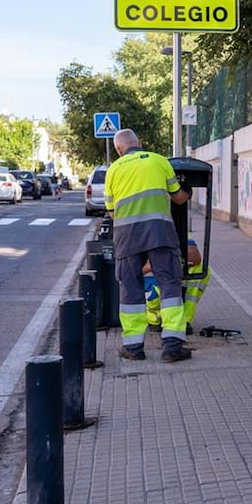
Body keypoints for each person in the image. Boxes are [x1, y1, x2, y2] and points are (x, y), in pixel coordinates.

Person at [104, 128, 193, 363]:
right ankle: (172, 346)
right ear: (139, 142)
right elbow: (178, 197)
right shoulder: (159, 161)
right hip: (159, 233)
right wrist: (188, 191)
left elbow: (112, 212)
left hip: (126, 237)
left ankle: (133, 348)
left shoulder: (113, 170)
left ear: (118, 149)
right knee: (170, 285)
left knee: (130, 290)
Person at [144, 238, 211, 333]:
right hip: (151, 279)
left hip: (165, 272)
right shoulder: (138, 233)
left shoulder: (175, 228)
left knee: (199, 269)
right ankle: (155, 318)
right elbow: (132, 269)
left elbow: (194, 256)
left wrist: (169, 263)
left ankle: (183, 320)